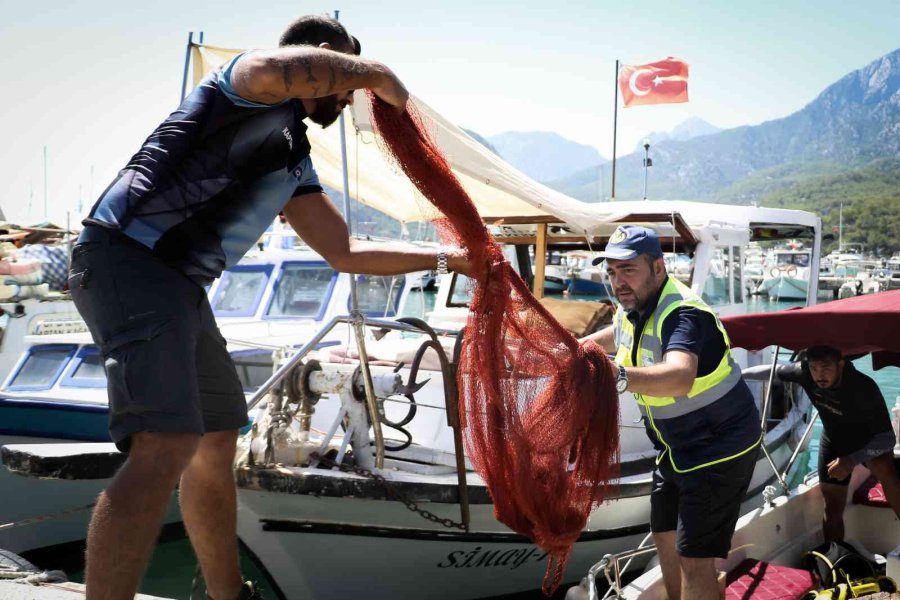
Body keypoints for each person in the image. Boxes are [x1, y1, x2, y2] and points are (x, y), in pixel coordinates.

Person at [69, 15, 470, 600]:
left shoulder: (294, 158)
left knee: (216, 437)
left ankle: (228, 596)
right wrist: (379, 73)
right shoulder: (243, 85)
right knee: (165, 443)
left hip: (179, 286)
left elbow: (345, 251)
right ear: (325, 58)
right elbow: (271, 69)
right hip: (127, 259)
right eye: (347, 77)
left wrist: (448, 262)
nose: (353, 95)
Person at [581, 225, 761, 600]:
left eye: (628, 269)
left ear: (658, 268)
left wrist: (616, 377)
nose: (618, 281)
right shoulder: (632, 306)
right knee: (663, 531)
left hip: (719, 446)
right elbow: (617, 335)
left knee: (696, 560)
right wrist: (577, 349)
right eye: (612, 272)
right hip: (676, 447)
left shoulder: (682, 314)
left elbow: (680, 375)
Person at [747, 345, 900, 542]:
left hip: (867, 442)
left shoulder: (863, 388)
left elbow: (887, 438)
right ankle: (835, 551)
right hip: (834, 440)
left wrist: (852, 460)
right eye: (814, 368)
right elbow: (771, 371)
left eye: (826, 367)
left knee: (884, 469)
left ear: (841, 365)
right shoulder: (804, 373)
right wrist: (734, 376)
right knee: (832, 505)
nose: (819, 375)